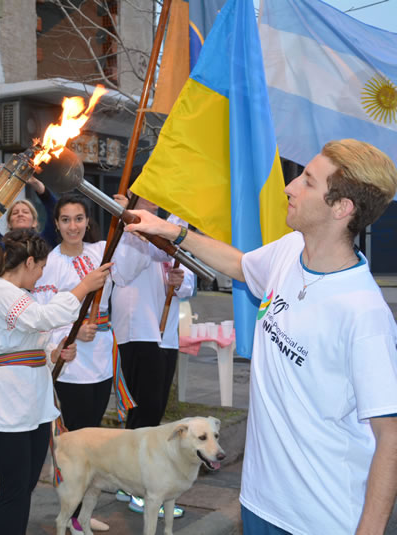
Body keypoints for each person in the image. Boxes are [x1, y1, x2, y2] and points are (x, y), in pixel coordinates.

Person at [124, 139, 397, 534]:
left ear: (341, 207)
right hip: (258, 502)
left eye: (308, 181)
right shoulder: (290, 250)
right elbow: (241, 265)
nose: (290, 187)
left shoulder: (364, 312)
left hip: (321, 519)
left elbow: (390, 436)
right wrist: (171, 232)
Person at [0, 229, 111, 534]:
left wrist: (56, 353)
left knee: (27, 484)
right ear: (30, 262)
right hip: (6, 402)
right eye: (42, 267)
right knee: (14, 487)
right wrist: (83, 287)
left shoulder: (23, 295)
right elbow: (40, 318)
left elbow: (34, 343)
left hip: (33, 401)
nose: (42, 274)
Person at [32, 192, 154, 532]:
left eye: (79, 219)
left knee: (94, 443)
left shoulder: (102, 250)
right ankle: (71, 515)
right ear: (56, 224)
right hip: (69, 364)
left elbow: (130, 268)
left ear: (88, 222)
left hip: (100, 360)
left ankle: (82, 514)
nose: (73, 226)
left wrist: (126, 216)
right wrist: (64, 339)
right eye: (66, 220)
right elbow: (42, 315)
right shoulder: (49, 263)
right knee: (74, 446)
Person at [112, 201, 194, 518]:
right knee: (144, 411)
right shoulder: (128, 232)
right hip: (138, 329)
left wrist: (180, 281)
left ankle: (127, 482)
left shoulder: (167, 228)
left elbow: (188, 279)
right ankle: (141, 489)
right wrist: (145, 235)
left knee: (153, 409)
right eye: (145, 197)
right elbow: (121, 272)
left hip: (166, 332)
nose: (152, 203)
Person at [0, 174, 58, 247]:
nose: (20, 214)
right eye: (15, 213)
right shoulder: (0, 246)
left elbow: (55, 210)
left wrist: (38, 186)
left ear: (34, 222)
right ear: (9, 224)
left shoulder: (45, 242)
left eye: (25, 212)